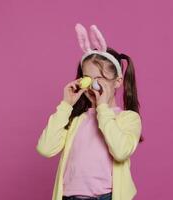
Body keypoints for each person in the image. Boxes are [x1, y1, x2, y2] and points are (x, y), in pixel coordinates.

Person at [36, 23, 144, 200]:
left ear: (117, 82)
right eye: (87, 78)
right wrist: (66, 105)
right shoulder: (77, 120)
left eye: (99, 78)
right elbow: (45, 149)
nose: (92, 85)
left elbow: (120, 151)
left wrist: (102, 108)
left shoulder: (128, 118)